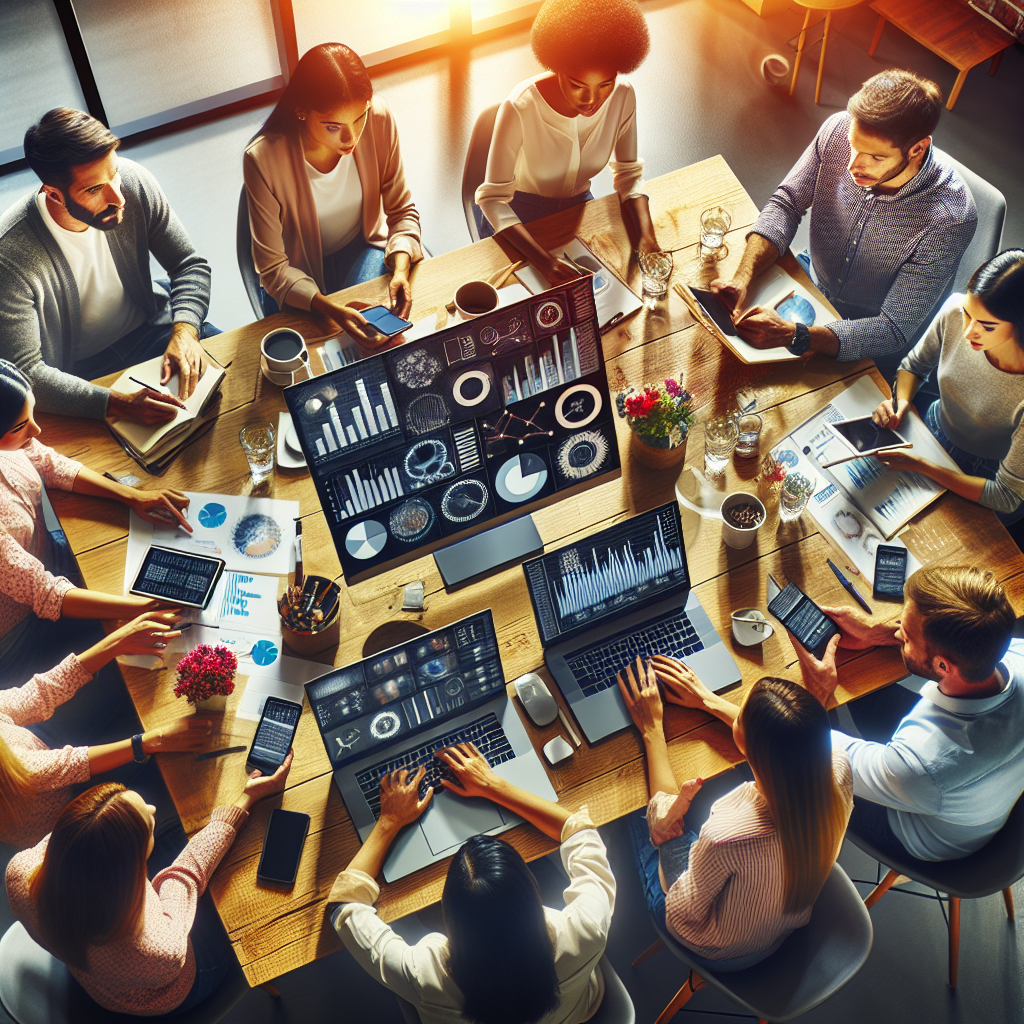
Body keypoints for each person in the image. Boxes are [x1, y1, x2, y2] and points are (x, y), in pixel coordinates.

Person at [713, 69, 977, 379]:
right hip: (811, 283)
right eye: (854, 145)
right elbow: (787, 203)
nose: (853, 165)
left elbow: (893, 329)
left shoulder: (951, 219)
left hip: (872, 334)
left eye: (876, 157)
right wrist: (743, 277)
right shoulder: (838, 129)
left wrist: (796, 336)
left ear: (917, 149)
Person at [327, 744, 615, 1024]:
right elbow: (579, 833)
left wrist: (389, 820)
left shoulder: (422, 977)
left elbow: (344, 905)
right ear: (532, 888)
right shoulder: (587, 929)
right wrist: (495, 786)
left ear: (447, 914)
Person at [5, 754, 292, 1016]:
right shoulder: (157, 951)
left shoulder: (20, 873)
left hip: (100, 975)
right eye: (148, 826)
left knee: (176, 835)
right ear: (130, 869)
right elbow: (183, 875)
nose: (153, 808)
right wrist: (246, 799)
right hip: (183, 980)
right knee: (235, 885)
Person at [620, 656, 851, 968]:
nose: (736, 713)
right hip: (785, 919)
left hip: (718, 947)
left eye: (739, 713)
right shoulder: (839, 768)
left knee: (636, 808)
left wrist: (652, 728)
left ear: (744, 741)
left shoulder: (726, 835)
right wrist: (705, 698)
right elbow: (791, 740)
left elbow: (680, 913)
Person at [0, 108, 218, 425]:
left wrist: (184, 330)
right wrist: (114, 404)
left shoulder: (133, 182)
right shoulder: (10, 254)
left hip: (155, 331)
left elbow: (188, 265)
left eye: (113, 174)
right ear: (54, 194)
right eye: (93, 189)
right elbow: (27, 373)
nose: (117, 197)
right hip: (78, 374)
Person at [793, 565, 1024, 862]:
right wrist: (878, 634)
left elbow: (810, 747)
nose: (898, 631)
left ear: (943, 667)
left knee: (783, 758)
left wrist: (815, 697)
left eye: (906, 635)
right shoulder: (1012, 652)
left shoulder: (922, 766)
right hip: (975, 794)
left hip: (914, 832)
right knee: (861, 686)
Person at [0, 361, 191, 683]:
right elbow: (46, 594)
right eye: (21, 426)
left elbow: (48, 463)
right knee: (148, 667)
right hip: (21, 635)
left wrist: (133, 496)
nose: (36, 431)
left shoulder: (14, 435)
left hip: (54, 561)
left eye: (32, 415)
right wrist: (140, 608)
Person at [243, 42, 423, 344]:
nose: (351, 137)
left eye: (359, 117)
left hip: (361, 247)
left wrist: (401, 270)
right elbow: (273, 269)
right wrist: (331, 310)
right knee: (326, 349)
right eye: (332, 127)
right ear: (301, 112)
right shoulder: (263, 159)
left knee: (379, 338)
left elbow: (402, 212)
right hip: (296, 272)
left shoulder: (378, 118)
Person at [474, 0, 663, 284]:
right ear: (557, 67)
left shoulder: (623, 96)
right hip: (517, 218)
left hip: (578, 208)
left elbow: (629, 175)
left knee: (612, 288)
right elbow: (492, 201)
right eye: (577, 85)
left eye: (605, 84)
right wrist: (544, 262)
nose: (592, 100)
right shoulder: (519, 107)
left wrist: (648, 239)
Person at [0, 611, 213, 849]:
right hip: (72, 818)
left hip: (41, 744)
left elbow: (40, 693)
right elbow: (73, 764)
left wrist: (117, 642)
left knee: (120, 679)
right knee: (184, 793)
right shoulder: (29, 771)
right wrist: (151, 741)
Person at [871, 249, 1024, 522]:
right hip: (931, 430)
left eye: (987, 326)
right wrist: (901, 401)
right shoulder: (954, 309)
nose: (968, 332)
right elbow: (913, 366)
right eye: (967, 313)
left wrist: (924, 466)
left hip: (983, 475)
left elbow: (1006, 496)